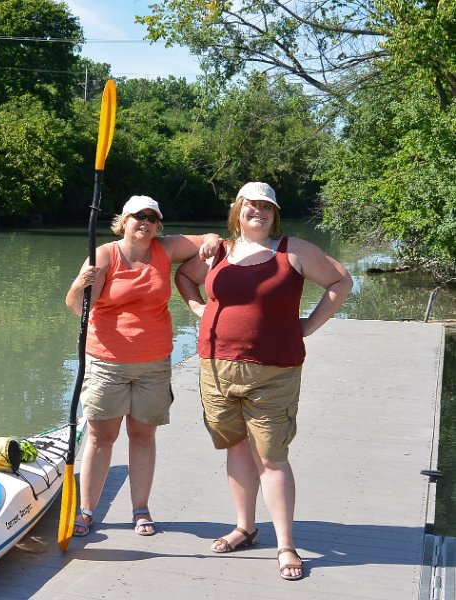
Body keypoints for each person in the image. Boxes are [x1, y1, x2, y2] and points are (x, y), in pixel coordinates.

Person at [173, 181, 352, 581]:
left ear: (275, 214)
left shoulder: (292, 250)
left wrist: (309, 325)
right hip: (216, 368)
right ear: (237, 211)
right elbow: (184, 277)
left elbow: (341, 282)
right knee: (236, 447)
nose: (258, 211)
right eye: (250, 205)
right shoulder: (218, 251)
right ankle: (245, 528)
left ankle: (286, 545)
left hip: (274, 371)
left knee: (272, 457)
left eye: (266, 207)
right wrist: (199, 308)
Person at [65, 195, 222, 538]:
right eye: (139, 216)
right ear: (124, 220)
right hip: (106, 362)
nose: (146, 223)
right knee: (101, 436)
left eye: (153, 218)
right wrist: (79, 285)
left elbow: (210, 240)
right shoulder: (104, 255)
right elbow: (77, 307)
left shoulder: (165, 248)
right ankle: (87, 510)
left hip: (154, 363)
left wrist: (212, 241)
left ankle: (140, 509)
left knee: (143, 435)